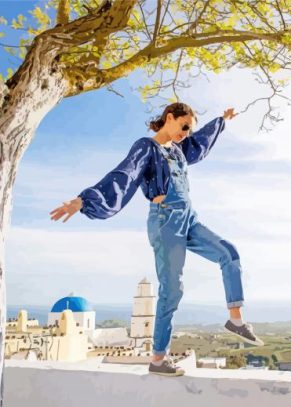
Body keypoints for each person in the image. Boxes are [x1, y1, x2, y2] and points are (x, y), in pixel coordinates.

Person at [50, 102, 263, 377]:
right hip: (165, 222)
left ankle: (236, 320)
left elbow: (201, 142)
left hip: (190, 219)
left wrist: (222, 121)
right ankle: (159, 359)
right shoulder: (146, 148)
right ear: (169, 118)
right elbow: (123, 175)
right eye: (183, 126)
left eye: (189, 129)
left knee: (229, 254)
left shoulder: (179, 149)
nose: (186, 133)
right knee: (172, 290)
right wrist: (82, 201)